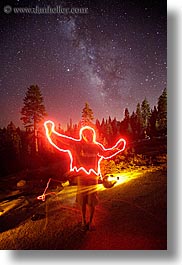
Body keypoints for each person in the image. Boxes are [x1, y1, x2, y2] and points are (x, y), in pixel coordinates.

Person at [43, 120, 126, 230]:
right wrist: (51, 132)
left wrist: (117, 148)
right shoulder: (76, 145)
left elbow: (106, 153)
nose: (90, 136)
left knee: (92, 202)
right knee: (82, 201)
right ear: (83, 135)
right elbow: (64, 140)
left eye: (91, 134)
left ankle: (90, 222)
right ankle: (83, 220)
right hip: (81, 177)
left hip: (93, 178)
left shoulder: (97, 147)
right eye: (87, 134)